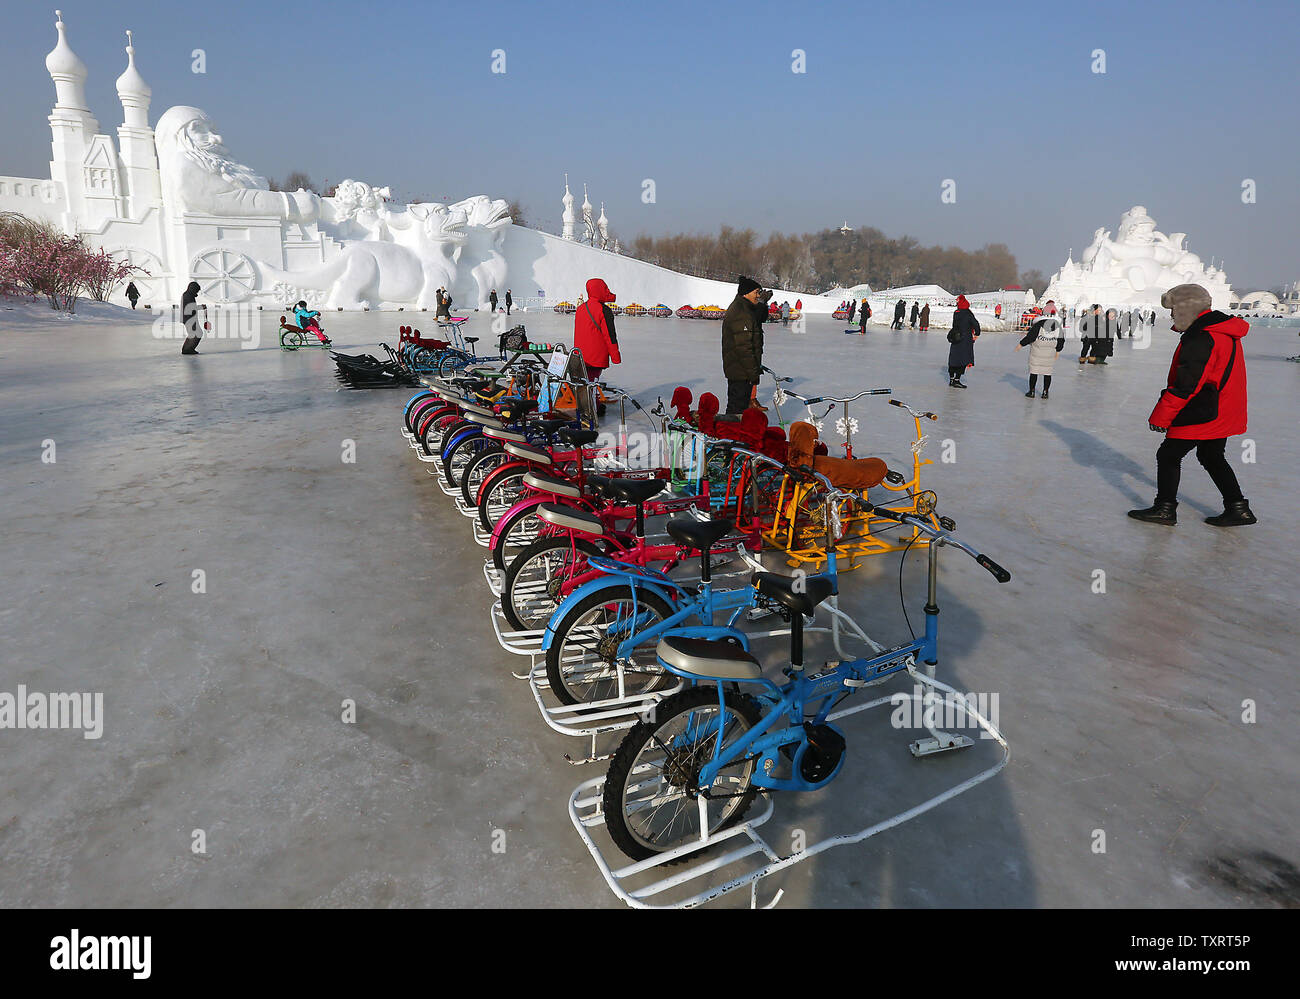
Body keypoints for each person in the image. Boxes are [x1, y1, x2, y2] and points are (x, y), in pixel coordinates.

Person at [1128, 283, 1255, 527]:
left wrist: (1161, 416)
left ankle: (1165, 508)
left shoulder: (1201, 337)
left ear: (1187, 308)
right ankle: (1238, 508)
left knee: (1168, 455)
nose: (1172, 314)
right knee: (1211, 455)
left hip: (1203, 410)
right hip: (1223, 407)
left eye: (1174, 308)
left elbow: (1188, 384)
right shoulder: (1221, 330)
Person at [572, 277, 621, 427]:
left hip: (579, 356)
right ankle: (591, 413)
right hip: (595, 356)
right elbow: (610, 336)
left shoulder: (581, 309)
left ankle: (587, 408)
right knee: (592, 384)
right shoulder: (603, 310)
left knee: (582, 383)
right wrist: (615, 356)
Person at [722, 276, 765, 415]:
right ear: (746, 293)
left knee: (739, 407)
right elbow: (744, 348)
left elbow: (761, 316)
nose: (758, 296)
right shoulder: (741, 312)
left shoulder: (745, 308)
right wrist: (753, 372)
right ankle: (730, 434)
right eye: (756, 293)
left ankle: (733, 432)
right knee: (737, 409)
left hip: (741, 369)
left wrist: (763, 302)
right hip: (740, 370)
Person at [1016, 299, 1063, 398]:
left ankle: (1032, 391)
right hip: (1050, 353)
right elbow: (1061, 340)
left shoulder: (1038, 325)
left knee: (1034, 372)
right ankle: (1045, 392)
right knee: (1047, 373)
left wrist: (1021, 344)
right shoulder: (1058, 327)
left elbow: (1031, 337)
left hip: (1037, 351)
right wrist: (1058, 350)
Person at [946, 294, 980, 388]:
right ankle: (957, 380)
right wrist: (977, 334)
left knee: (953, 359)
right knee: (963, 360)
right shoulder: (968, 313)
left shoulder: (956, 312)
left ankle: (951, 379)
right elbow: (975, 324)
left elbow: (954, 325)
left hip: (955, 338)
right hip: (965, 340)